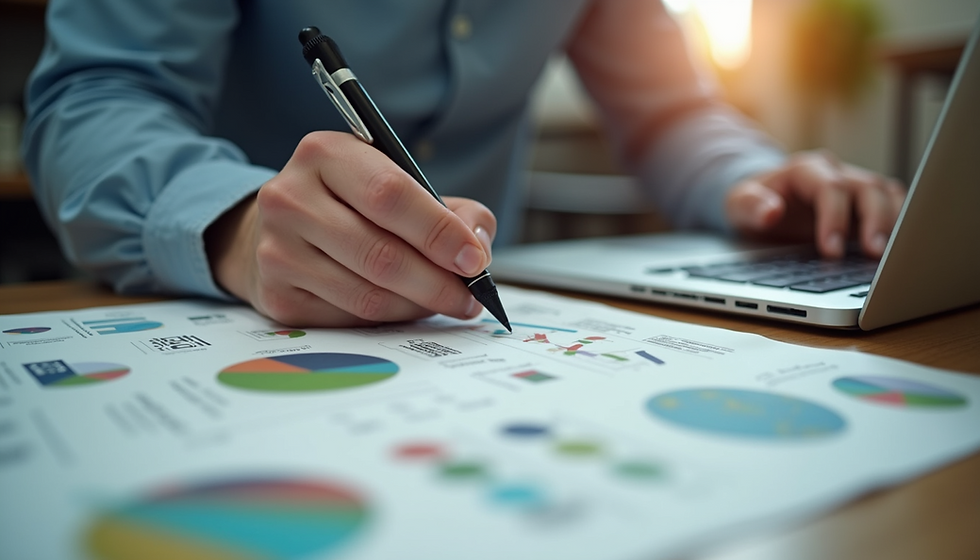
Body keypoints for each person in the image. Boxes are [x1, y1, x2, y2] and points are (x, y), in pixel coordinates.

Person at [22, 0, 905, 328]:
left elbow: (670, 110)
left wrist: (750, 177)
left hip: (466, 328)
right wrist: (236, 224)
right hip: (217, 321)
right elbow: (95, 97)